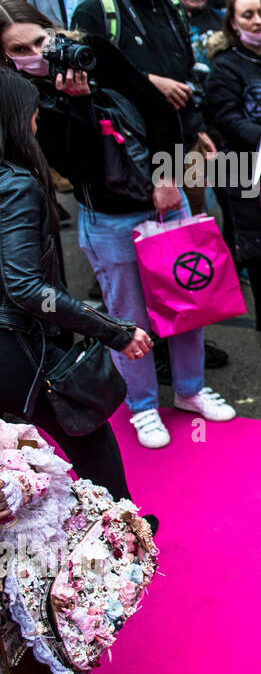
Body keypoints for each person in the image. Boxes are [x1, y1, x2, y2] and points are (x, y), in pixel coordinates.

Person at [68, 0, 234, 447]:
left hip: (170, 171)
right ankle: (141, 405)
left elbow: (179, 93)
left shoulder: (168, 7)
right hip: (117, 189)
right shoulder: (97, 10)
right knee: (128, 310)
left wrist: (197, 130)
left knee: (186, 288)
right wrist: (150, 83)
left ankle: (189, 388)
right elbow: (101, 97)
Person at [0, 69, 149, 501]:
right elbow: (26, 287)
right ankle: (122, 540)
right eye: (31, 114)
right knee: (89, 438)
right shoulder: (14, 184)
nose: (36, 123)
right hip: (19, 344)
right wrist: (113, 329)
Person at [202, 0, 261, 333]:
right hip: (246, 171)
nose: (258, 21)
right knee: (256, 245)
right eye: (248, 15)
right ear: (233, 24)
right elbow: (227, 118)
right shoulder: (226, 67)